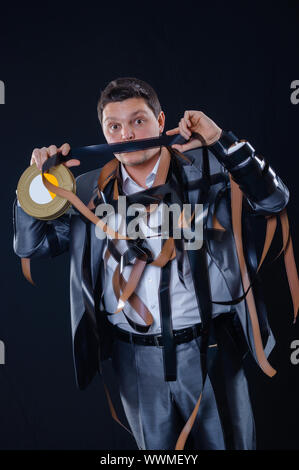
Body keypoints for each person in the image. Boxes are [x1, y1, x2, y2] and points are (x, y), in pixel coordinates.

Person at [13, 77, 291, 450]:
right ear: (104, 133)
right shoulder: (84, 190)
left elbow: (273, 201)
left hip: (209, 350)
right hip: (134, 361)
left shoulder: (208, 171)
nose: (127, 134)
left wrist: (222, 139)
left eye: (139, 121)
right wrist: (35, 183)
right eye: (115, 126)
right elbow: (33, 246)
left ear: (161, 122)